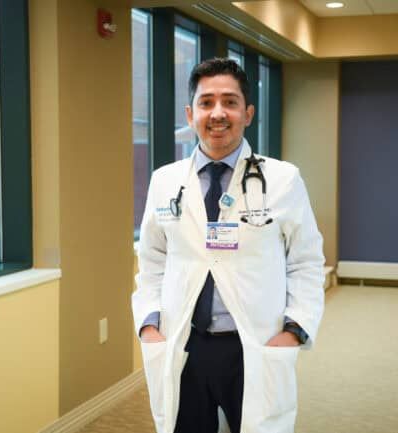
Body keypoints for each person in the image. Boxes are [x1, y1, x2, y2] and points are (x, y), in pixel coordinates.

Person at [132, 58, 325, 433]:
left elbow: (305, 261)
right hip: (184, 342)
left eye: (230, 102)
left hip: (253, 343)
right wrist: (150, 323)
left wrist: (294, 330)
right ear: (191, 114)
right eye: (206, 102)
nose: (217, 113)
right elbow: (152, 259)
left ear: (248, 113)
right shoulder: (165, 181)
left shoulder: (282, 180)